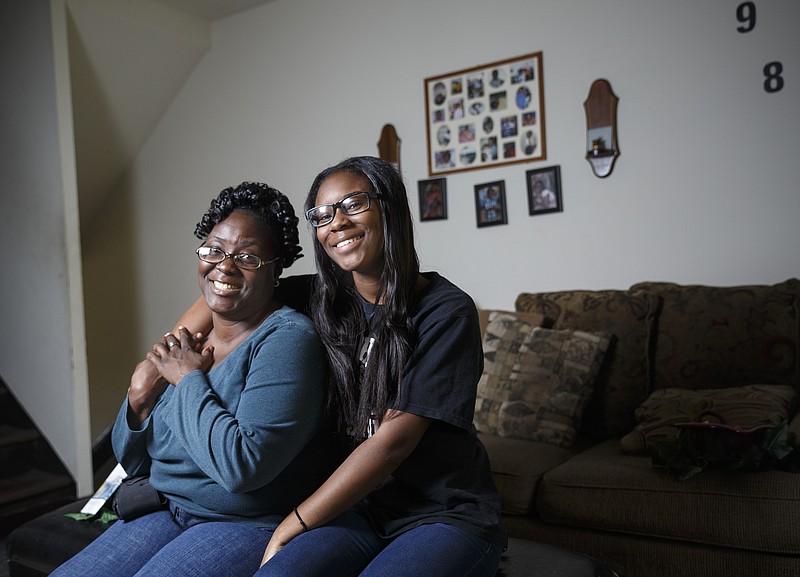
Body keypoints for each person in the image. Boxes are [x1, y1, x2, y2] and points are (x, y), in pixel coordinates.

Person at [175, 157, 506, 576]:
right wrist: (156, 364)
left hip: (441, 515)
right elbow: (232, 290)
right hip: (355, 511)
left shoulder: (445, 312)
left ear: (390, 208)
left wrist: (290, 525)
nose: (337, 222)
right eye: (323, 214)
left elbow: (392, 445)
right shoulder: (322, 298)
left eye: (353, 204)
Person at [51, 182, 338, 577]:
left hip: (240, 523)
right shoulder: (192, 341)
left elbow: (243, 468)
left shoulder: (287, 340)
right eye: (214, 250)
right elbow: (135, 462)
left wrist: (188, 381)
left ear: (276, 271)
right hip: (166, 509)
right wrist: (137, 400)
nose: (225, 265)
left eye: (247, 257)